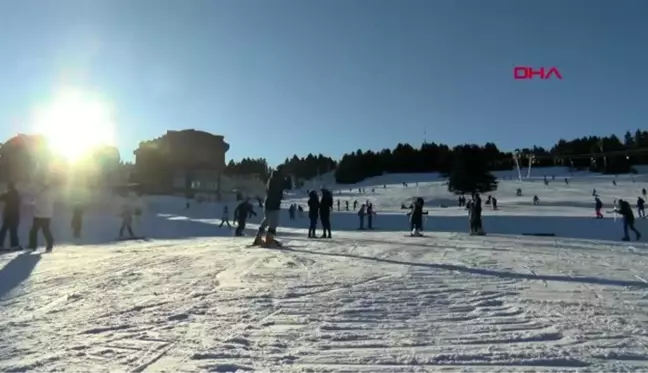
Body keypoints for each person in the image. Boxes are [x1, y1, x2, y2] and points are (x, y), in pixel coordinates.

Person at [252, 169, 287, 247]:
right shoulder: (276, 181)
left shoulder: (271, 180)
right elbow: (286, 186)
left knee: (267, 220)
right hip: (274, 204)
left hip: (268, 203)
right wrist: (287, 179)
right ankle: (269, 239)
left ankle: (258, 237)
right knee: (274, 223)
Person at [28, 181, 55, 252]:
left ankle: (33, 245)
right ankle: (50, 245)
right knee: (46, 230)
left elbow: (32, 202)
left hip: (39, 215)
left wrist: (33, 199)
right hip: (48, 214)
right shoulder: (50, 194)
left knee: (33, 231)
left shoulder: (39, 194)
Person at [0, 182, 21, 250]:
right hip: (15, 214)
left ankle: (0, 244)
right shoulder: (16, 194)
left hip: (8, 214)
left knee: (4, 230)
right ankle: (14, 245)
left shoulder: (7, 194)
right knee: (13, 230)